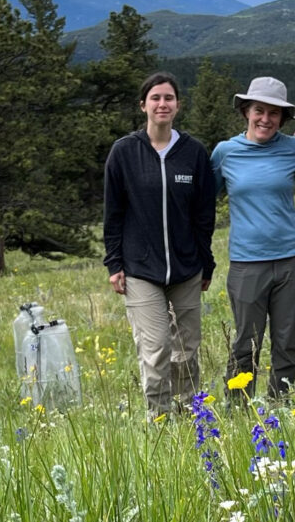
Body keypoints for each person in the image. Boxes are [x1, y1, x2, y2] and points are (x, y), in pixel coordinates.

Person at [103, 72, 216, 418]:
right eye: (155, 98)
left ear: (178, 105)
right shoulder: (124, 152)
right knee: (155, 350)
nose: (162, 104)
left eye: (169, 98)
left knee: (186, 350)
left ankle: (190, 416)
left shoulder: (193, 153)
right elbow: (113, 212)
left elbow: (203, 215)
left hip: (186, 268)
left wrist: (206, 264)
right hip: (141, 270)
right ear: (143, 105)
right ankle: (161, 420)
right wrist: (114, 264)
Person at [211, 77, 295, 400]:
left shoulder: (294, 148)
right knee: (244, 344)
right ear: (245, 112)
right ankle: (239, 411)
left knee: (286, 342)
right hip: (246, 263)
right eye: (259, 110)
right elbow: (200, 202)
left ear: (283, 118)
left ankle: (281, 407)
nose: (265, 119)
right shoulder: (225, 153)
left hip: (291, 261)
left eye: (274, 113)